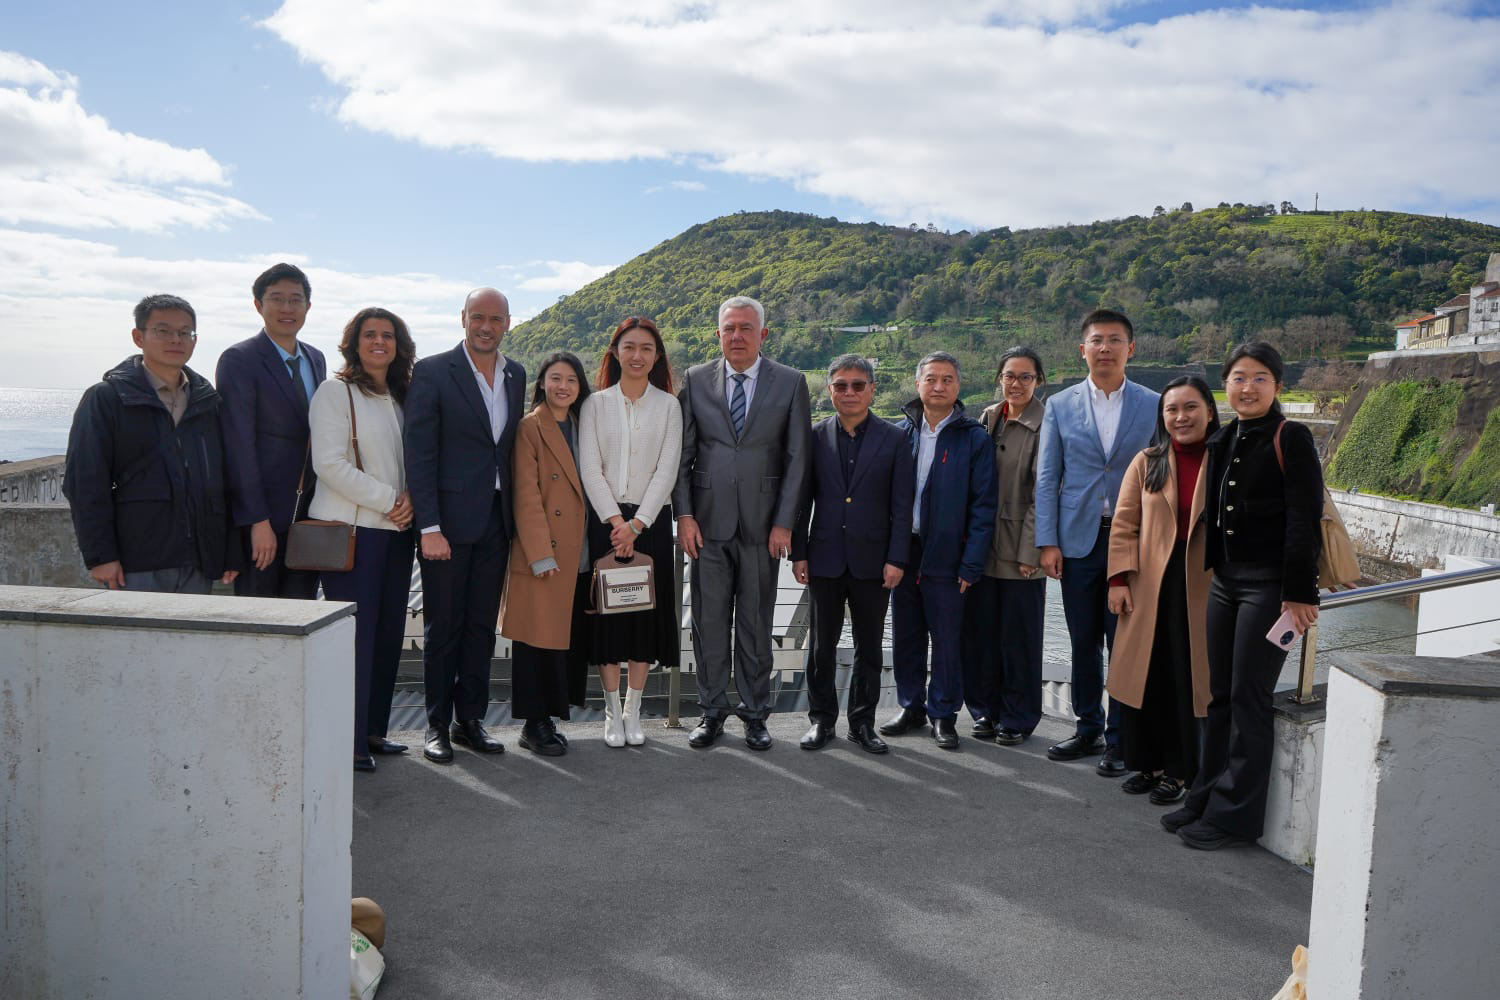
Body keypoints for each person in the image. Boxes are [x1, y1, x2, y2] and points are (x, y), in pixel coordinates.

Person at [1165, 343, 1323, 850]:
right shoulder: (1225, 436)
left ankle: (1234, 817)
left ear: (1276, 385)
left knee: (1249, 698)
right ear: (1224, 387)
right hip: (1226, 582)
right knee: (1219, 696)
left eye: (1258, 378)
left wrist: (1298, 593)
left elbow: (1304, 516)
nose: (1247, 387)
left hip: (1270, 587)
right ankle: (1206, 794)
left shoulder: (1290, 436)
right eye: (1237, 378)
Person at [674, 295, 811, 751]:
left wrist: (785, 523)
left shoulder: (790, 383)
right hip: (706, 527)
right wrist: (685, 514)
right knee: (708, 624)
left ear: (763, 334)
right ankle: (711, 712)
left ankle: (755, 714)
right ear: (718, 334)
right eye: (729, 328)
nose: (737, 336)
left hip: (762, 527)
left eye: (746, 328)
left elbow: (797, 459)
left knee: (755, 624)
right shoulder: (693, 381)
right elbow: (683, 455)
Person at [1035, 308, 1158, 775]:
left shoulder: (1153, 403)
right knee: (1082, 639)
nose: (1104, 348)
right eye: (1096, 340)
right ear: (1081, 349)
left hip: (1135, 541)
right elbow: (1048, 478)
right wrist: (1048, 542)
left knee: (1124, 643)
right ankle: (1087, 727)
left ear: (1131, 348)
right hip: (1078, 542)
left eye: (1114, 339)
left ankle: (1121, 739)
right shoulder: (1061, 405)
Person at [404, 288, 526, 763]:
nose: (486, 326)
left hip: (497, 521)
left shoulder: (515, 374)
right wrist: (428, 525)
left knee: (480, 626)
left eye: (495, 319)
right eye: (478, 317)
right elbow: (420, 453)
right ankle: (436, 725)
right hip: (447, 526)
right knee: (443, 627)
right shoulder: (433, 371)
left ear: (508, 323)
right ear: (463, 319)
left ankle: (469, 720)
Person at [63, 294, 238, 594]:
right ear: (138, 337)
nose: (176, 339)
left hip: (199, 559)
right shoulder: (107, 398)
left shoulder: (208, 402)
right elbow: (85, 482)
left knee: (190, 639)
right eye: (163, 330)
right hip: (137, 560)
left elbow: (225, 481)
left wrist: (230, 550)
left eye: (185, 332)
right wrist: (101, 556)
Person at [309, 307, 417, 773]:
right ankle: (349, 742)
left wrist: (409, 499)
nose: (379, 342)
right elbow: (328, 464)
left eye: (388, 335)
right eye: (370, 335)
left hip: (395, 533)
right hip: (355, 533)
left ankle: (374, 731)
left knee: (388, 637)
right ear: (353, 343)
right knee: (356, 640)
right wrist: (391, 499)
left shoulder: (398, 397)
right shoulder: (336, 392)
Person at [1105, 376, 1220, 804]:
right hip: (1149, 584)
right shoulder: (1148, 460)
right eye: (1172, 410)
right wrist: (1118, 579)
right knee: (1146, 676)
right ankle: (1146, 764)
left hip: (1203, 588)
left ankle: (1179, 771)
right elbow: (1124, 524)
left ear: (1210, 410)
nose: (1180, 417)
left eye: (1190, 407)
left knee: (1184, 678)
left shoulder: (1225, 459)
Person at [791, 354, 913, 755]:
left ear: (872, 390)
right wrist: (799, 553)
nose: (849, 392)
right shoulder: (813, 436)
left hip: (874, 562)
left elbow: (902, 506)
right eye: (841, 385)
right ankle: (821, 721)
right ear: (829, 390)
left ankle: (862, 724)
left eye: (858, 385)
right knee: (820, 648)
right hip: (824, 557)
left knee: (869, 648)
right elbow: (800, 500)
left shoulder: (896, 438)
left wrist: (897, 558)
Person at [880, 352, 996, 750]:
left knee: (947, 640)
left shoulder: (974, 439)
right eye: (931, 379)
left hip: (949, 554)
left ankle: (943, 714)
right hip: (904, 550)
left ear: (957, 387)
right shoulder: (900, 433)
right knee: (906, 634)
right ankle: (911, 705)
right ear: (918, 385)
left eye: (947, 379)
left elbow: (984, 506)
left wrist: (972, 562)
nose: (939, 386)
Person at [578, 317, 682, 748]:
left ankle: (633, 712)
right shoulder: (595, 404)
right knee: (608, 621)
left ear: (657, 356)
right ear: (615, 352)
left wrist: (638, 523)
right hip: (604, 525)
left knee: (642, 620)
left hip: (650, 526)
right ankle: (610, 714)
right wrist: (616, 523)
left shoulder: (669, 406)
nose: (637, 355)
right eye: (629, 346)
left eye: (646, 348)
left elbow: (667, 468)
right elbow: (590, 467)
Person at [498, 353, 593, 757]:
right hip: (544, 552)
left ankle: (549, 720)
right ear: (542, 383)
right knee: (536, 642)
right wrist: (539, 553)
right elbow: (526, 495)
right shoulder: (529, 427)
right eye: (556, 378)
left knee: (560, 641)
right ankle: (533, 723)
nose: (563, 386)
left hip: (579, 548)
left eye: (571, 380)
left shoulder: (582, 425)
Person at [217, 262, 327, 599]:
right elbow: (239, 445)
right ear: (258, 305)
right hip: (263, 521)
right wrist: (257, 521)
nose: (286, 308)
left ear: (308, 306)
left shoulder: (316, 358)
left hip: (309, 516)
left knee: (303, 615)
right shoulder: (239, 359)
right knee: (260, 620)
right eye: (276, 299)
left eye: (295, 299)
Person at [961, 346, 1048, 747]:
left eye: (1025, 377)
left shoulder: (1046, 423)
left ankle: (1018, 717)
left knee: (1019, 639)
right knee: (983, 635)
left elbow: (1045, 492)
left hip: (1019, 551)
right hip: (984, 546)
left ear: (1038, 381)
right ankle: (985, 710)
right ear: (999, 378)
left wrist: (1032, 551)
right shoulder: (988, 418)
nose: (1016, 383)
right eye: (1010, 375)